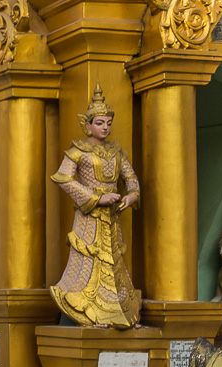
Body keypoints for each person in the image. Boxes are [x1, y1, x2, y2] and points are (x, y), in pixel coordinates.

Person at [50, 84, 141, 329]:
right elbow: (63, 177)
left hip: (112, 217)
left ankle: (118, 312)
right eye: (99, 123)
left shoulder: (116, 151)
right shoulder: (78, 151)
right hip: (89, 217)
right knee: (86, 262)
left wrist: (132, 195)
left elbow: (130, 177)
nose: (105, 128)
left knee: (114, 261)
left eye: (108, 123)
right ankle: (86, 313)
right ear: (87, 125)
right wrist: (96, 198)